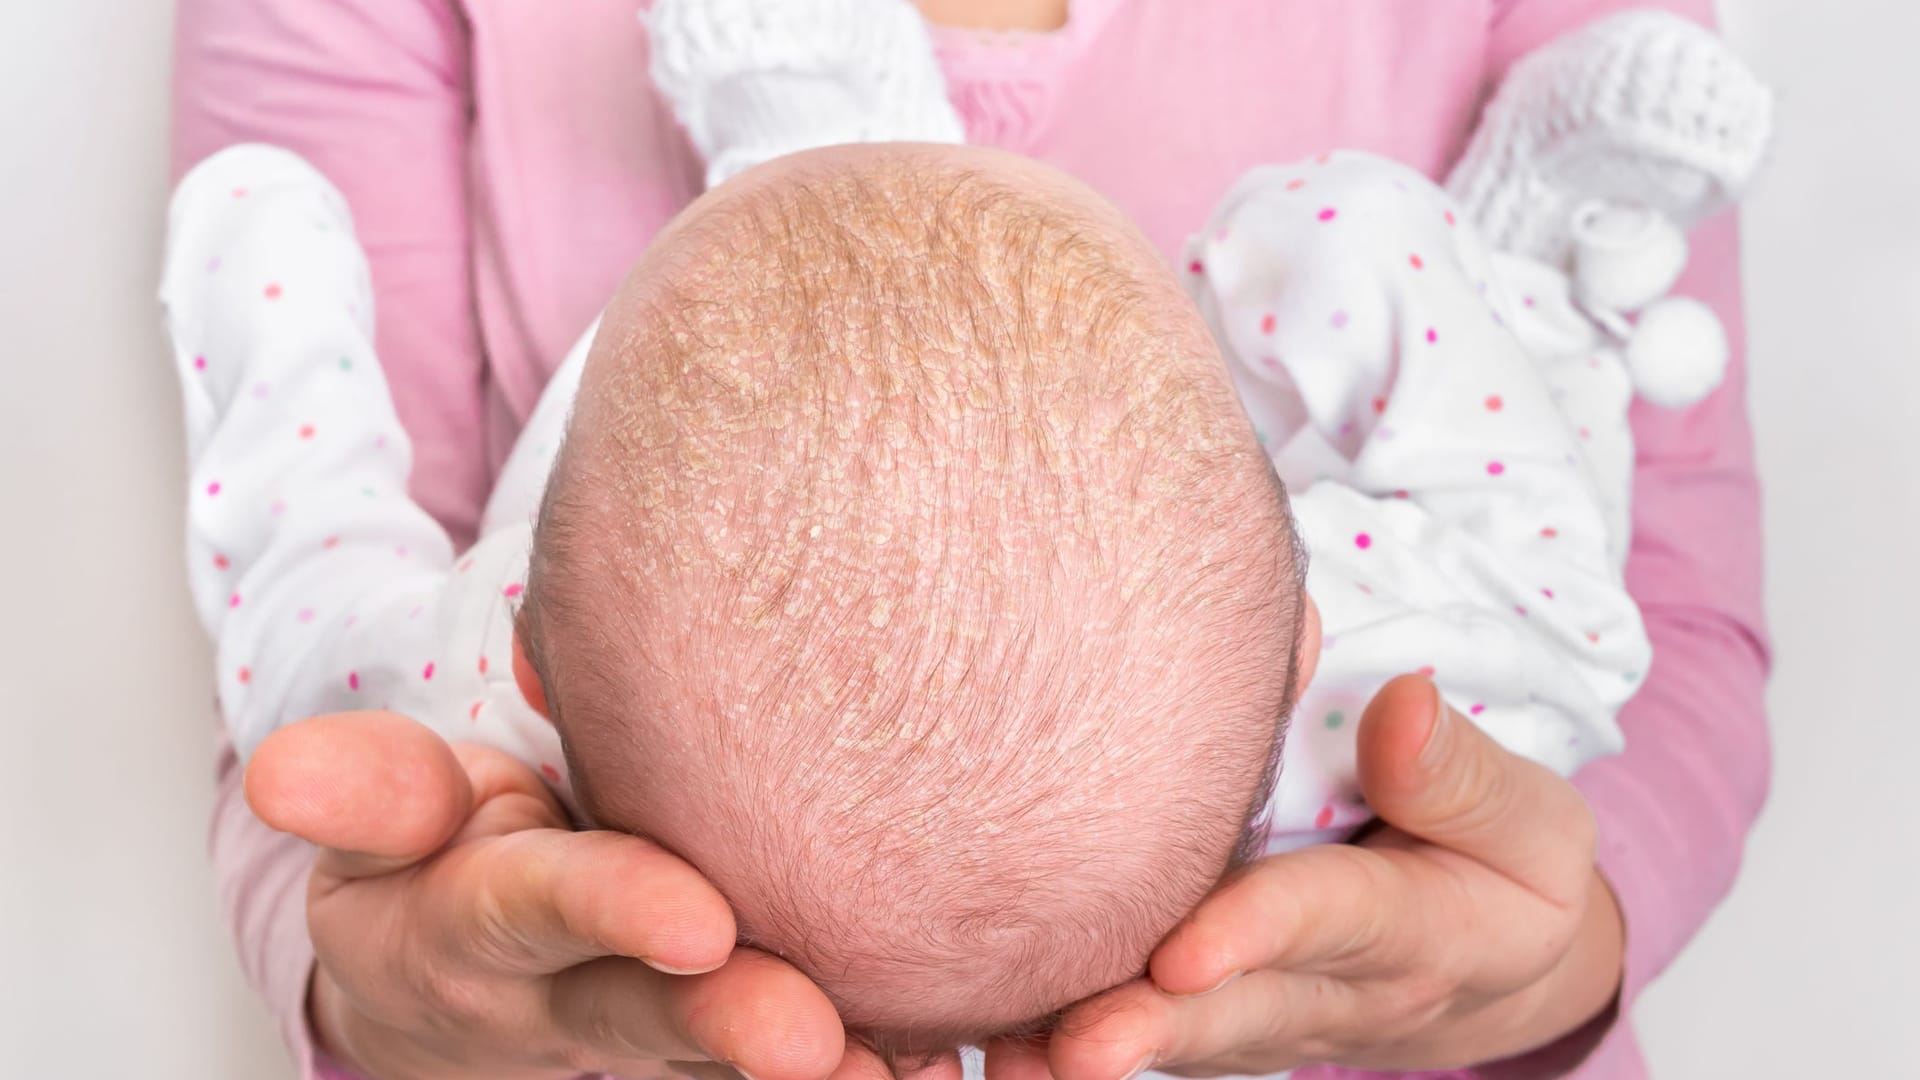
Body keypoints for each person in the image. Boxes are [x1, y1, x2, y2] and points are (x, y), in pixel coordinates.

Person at [172, 1, 1770, 1077]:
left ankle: (801, 153)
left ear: (534, 650)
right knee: (1543, 438)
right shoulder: (1368, 715)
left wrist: (379, 974)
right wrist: (1542, 961)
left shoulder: (478, 707)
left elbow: (310, 638)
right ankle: (1553, 267)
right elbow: (1597, 613)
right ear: (1300, 639)